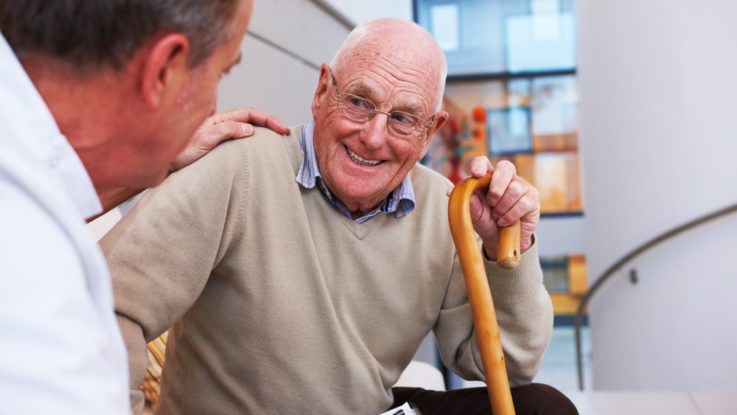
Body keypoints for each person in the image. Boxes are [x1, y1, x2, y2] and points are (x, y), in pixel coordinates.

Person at [102, 18, 577, 415]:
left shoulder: (445, 208)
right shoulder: (240, 165)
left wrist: (504, 253)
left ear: (431, 131)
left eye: (403, 118)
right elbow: (108, 304)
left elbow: (508, 367)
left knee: (543, 408)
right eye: (358, 102)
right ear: (323, 89)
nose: (372, 137)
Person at [0, 1, 288, 414]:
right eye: (220, 72)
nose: (212, 108)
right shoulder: (46, 328)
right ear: (164, 70)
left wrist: (156, 156)